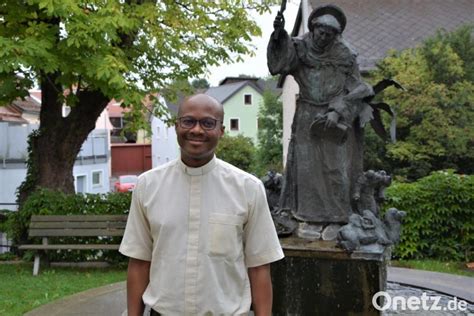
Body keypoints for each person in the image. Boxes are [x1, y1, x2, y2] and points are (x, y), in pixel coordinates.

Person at [119, 94, 284, 315]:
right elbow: (139, 262)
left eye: (208, 123)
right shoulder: (148, 186)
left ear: (221, 131)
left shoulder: (248, 189)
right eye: (188, 121)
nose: (197, 130)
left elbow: (260, 267)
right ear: (176, 126)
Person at [267, 5, 374, 225]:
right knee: (305, 168)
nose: (323, 37)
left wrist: (337, 111)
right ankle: (305, 216)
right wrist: (278, 36)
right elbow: (278, 65)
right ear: (313, 28)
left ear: (336, 36)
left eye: (329, 34)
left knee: (336, 168)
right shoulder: (300, 48)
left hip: (334, 117)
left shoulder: (345, 54)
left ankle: (338, 216)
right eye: (320, 32)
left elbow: (359, 89)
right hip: (306, 114)